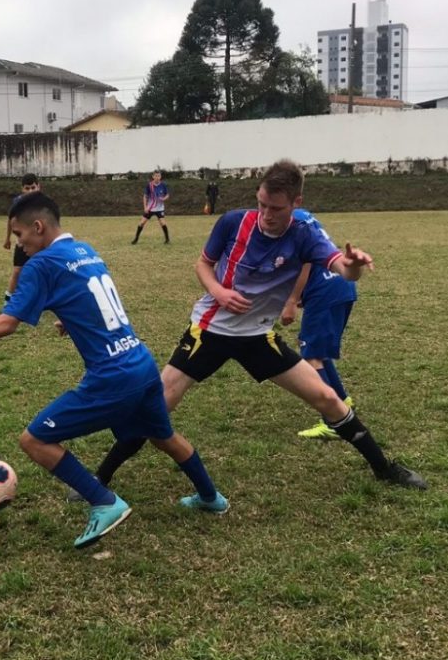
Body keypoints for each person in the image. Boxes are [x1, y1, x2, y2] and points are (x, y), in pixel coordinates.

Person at [0, 192, 228, 549]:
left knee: (35, 440)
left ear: (38, 227)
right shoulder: (85, 250)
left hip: (112, 377)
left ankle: (104, 502)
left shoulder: (40, 265)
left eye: (19, 235)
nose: (20, 244)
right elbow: (90, 299)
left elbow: (7, 323)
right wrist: (70, 319)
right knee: (163, 437)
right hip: (141, 362)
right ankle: (211, 498)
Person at [96, 159, 427, 491]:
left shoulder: (304, 234)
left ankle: (383, 468)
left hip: (257, 338)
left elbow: (342, 267)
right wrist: (219, 292)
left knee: (326, 397)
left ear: (296, 204)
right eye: (261, 204)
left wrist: (353, 266)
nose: (266, 215)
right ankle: (100, 477)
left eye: (276, 208)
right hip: (210, 332)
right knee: (156, 407)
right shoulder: (233, 222)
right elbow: (203, 264)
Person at [281, 207, 359, 440]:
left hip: (324, 290)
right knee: (319, 351)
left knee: (310, 356)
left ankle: (333, 421)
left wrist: (292, 301)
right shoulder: (304, 215)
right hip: (341, 286)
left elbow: (305, 263)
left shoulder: (293, 221)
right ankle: (342, 400)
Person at [4, 173, 40, 301]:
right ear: (22, 189)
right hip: (23, 243)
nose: (30, 191)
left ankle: (49, 301)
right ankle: (8, 300)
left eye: (33, 187)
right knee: (17, 271)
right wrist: (8, 239)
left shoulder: (44, 203)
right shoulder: (17, 203)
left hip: (40, 244)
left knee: (45, 271)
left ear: (38, 187)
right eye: (27, 188)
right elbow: (11, 221)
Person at [131, 170, 170, 244]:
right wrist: (145, 207)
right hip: (150, 208)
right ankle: (136, 239)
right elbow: (145, 196)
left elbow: (167, 195)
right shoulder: (149, 185)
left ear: (160, 177)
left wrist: (164, 198)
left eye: (159, 176)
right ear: (153, 176)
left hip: (159, 208)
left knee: (163, 223)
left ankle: (167, 239)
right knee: (142, 223)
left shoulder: (163, 185)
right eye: (156, 176)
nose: (157, 177)